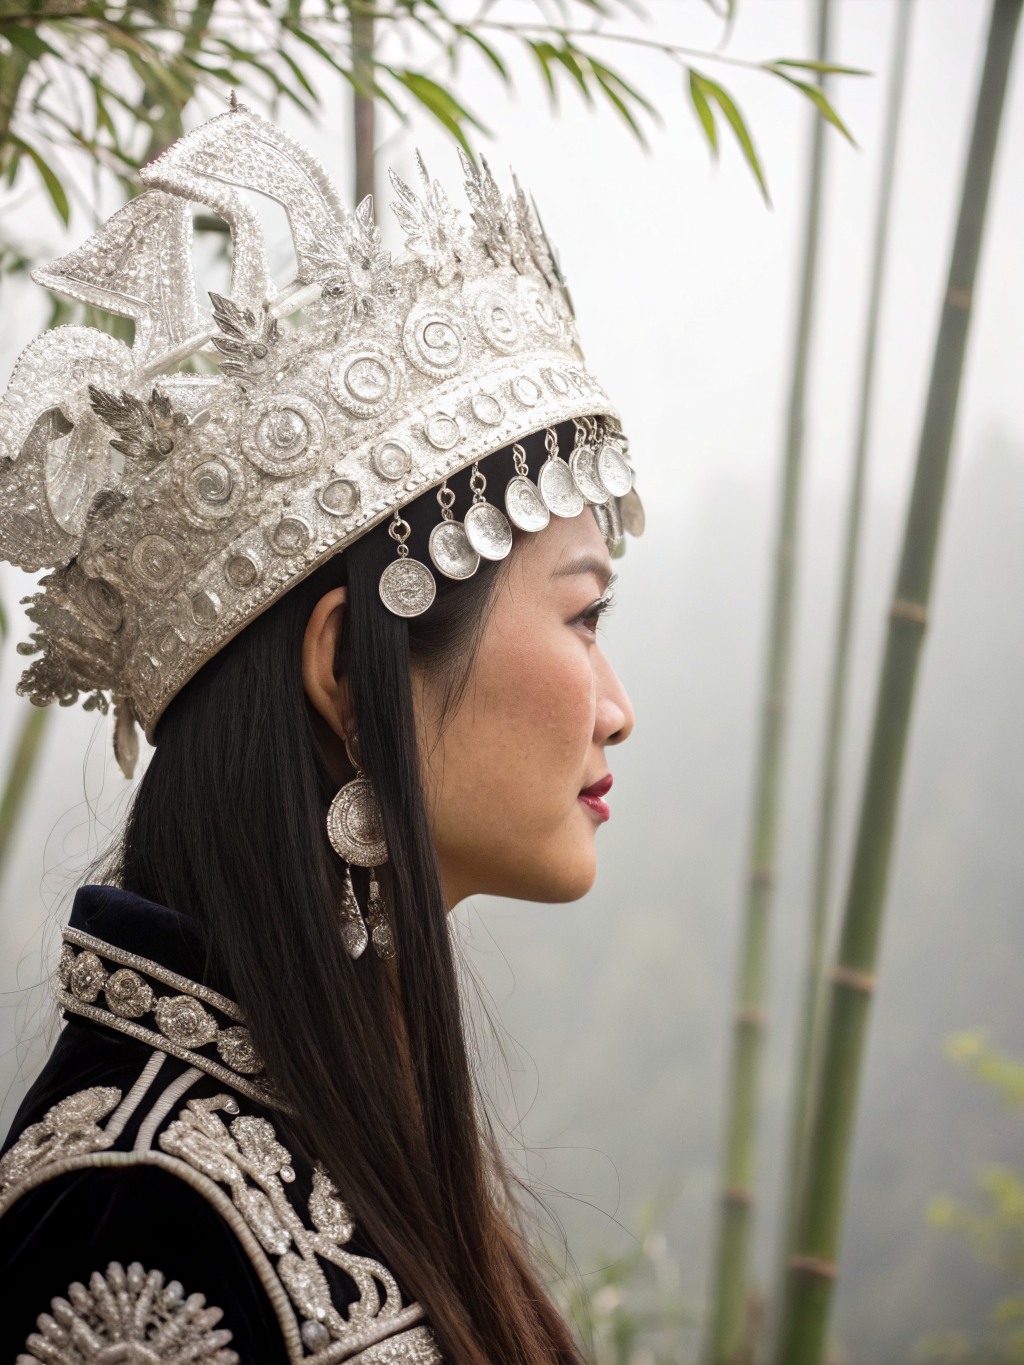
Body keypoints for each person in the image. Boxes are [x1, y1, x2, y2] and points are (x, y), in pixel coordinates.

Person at [0, 103, 640, 1365]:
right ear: (350, 669)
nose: (617, 707)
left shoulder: (321, 1110)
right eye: (582, 617)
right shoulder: (134, 1224)